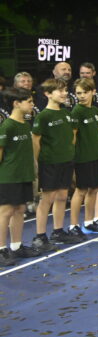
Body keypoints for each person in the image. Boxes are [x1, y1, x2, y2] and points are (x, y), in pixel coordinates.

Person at [31, 78, 80, 250]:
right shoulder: (43, 116)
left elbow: (72, 135)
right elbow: (36, 141)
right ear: (47, 94)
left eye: (65, 90)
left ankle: (58, 231)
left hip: (66, 160)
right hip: (49, 162)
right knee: (47, 199)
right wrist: (36, 162)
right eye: (60, 90)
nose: (64, 93)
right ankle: (40, 236)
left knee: (61, 196)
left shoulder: (67, 113)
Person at [0, 89, 42, 263]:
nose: (32, 104)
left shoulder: (25, 124)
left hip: (24, 174)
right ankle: (1, 249)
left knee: (20, 210)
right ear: (16, 103)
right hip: (9, 176)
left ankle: (16, 246)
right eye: (29, 101)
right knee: (6, 211)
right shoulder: (7, 126)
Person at [68, 78, 98, 236]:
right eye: (79, 93)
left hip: (96, 155)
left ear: (93, 92)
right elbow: (73, 137)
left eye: (85, 92)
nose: (82, 96)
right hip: (82, 157)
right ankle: (73, 226)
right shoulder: (77, 112)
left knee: (95, 189)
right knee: (81, 191)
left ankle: (88, 222)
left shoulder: (95, 111)